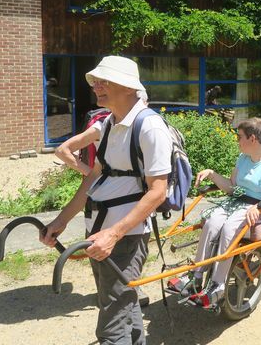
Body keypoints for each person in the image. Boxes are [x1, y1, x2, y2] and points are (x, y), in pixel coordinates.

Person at [40, 56, 172, 344]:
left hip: (124, 237)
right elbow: (94, 178)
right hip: (98, 233)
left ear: (127, 87)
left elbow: (158, 191)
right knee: (122, 302)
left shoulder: (150, 127)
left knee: (111, 323)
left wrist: (114, 234)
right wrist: (61, 220)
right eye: (95, 81)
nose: (96, 86)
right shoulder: (109, 124)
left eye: (104, 80)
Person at [168, 118, 261, 308]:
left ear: (253, 139)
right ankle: (195, 277)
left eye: (240, 137)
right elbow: (232, 188)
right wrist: (212, 174)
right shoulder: (244, 158)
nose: (237, 140)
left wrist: (258, 207)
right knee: (212, 222)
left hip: (258, 207)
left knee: (230, 227)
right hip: (237, 202)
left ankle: (218, 286)